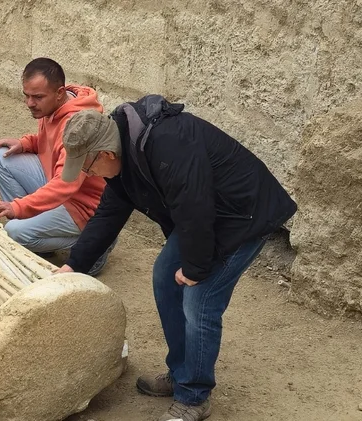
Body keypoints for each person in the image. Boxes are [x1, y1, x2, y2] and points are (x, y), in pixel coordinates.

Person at [57, 97, 297, 421]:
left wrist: (196, 268)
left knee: (200, 299)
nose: (88, 175)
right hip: (206, 216)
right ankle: (181, 372)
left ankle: (194, 398)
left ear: (106, 154)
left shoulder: (168, 143)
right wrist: (74, 264)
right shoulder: (122, 152)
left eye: (87, 168)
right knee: (164, 276)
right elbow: (110, 212)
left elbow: (194, 206)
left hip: (243, 216)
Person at [0, 58, 111, 273]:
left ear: (60, 93)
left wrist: (18, 207)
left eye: (37, 97)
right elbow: (53, 145)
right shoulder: (52, 106)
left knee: (13, 231)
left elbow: (65, 183)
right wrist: (26, 143)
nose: (29, 103)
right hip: (60, 185)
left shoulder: (79, 125)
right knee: (1, 156)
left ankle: (94, 248)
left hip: (83, 206)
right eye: (27, 95)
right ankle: (36, 230)